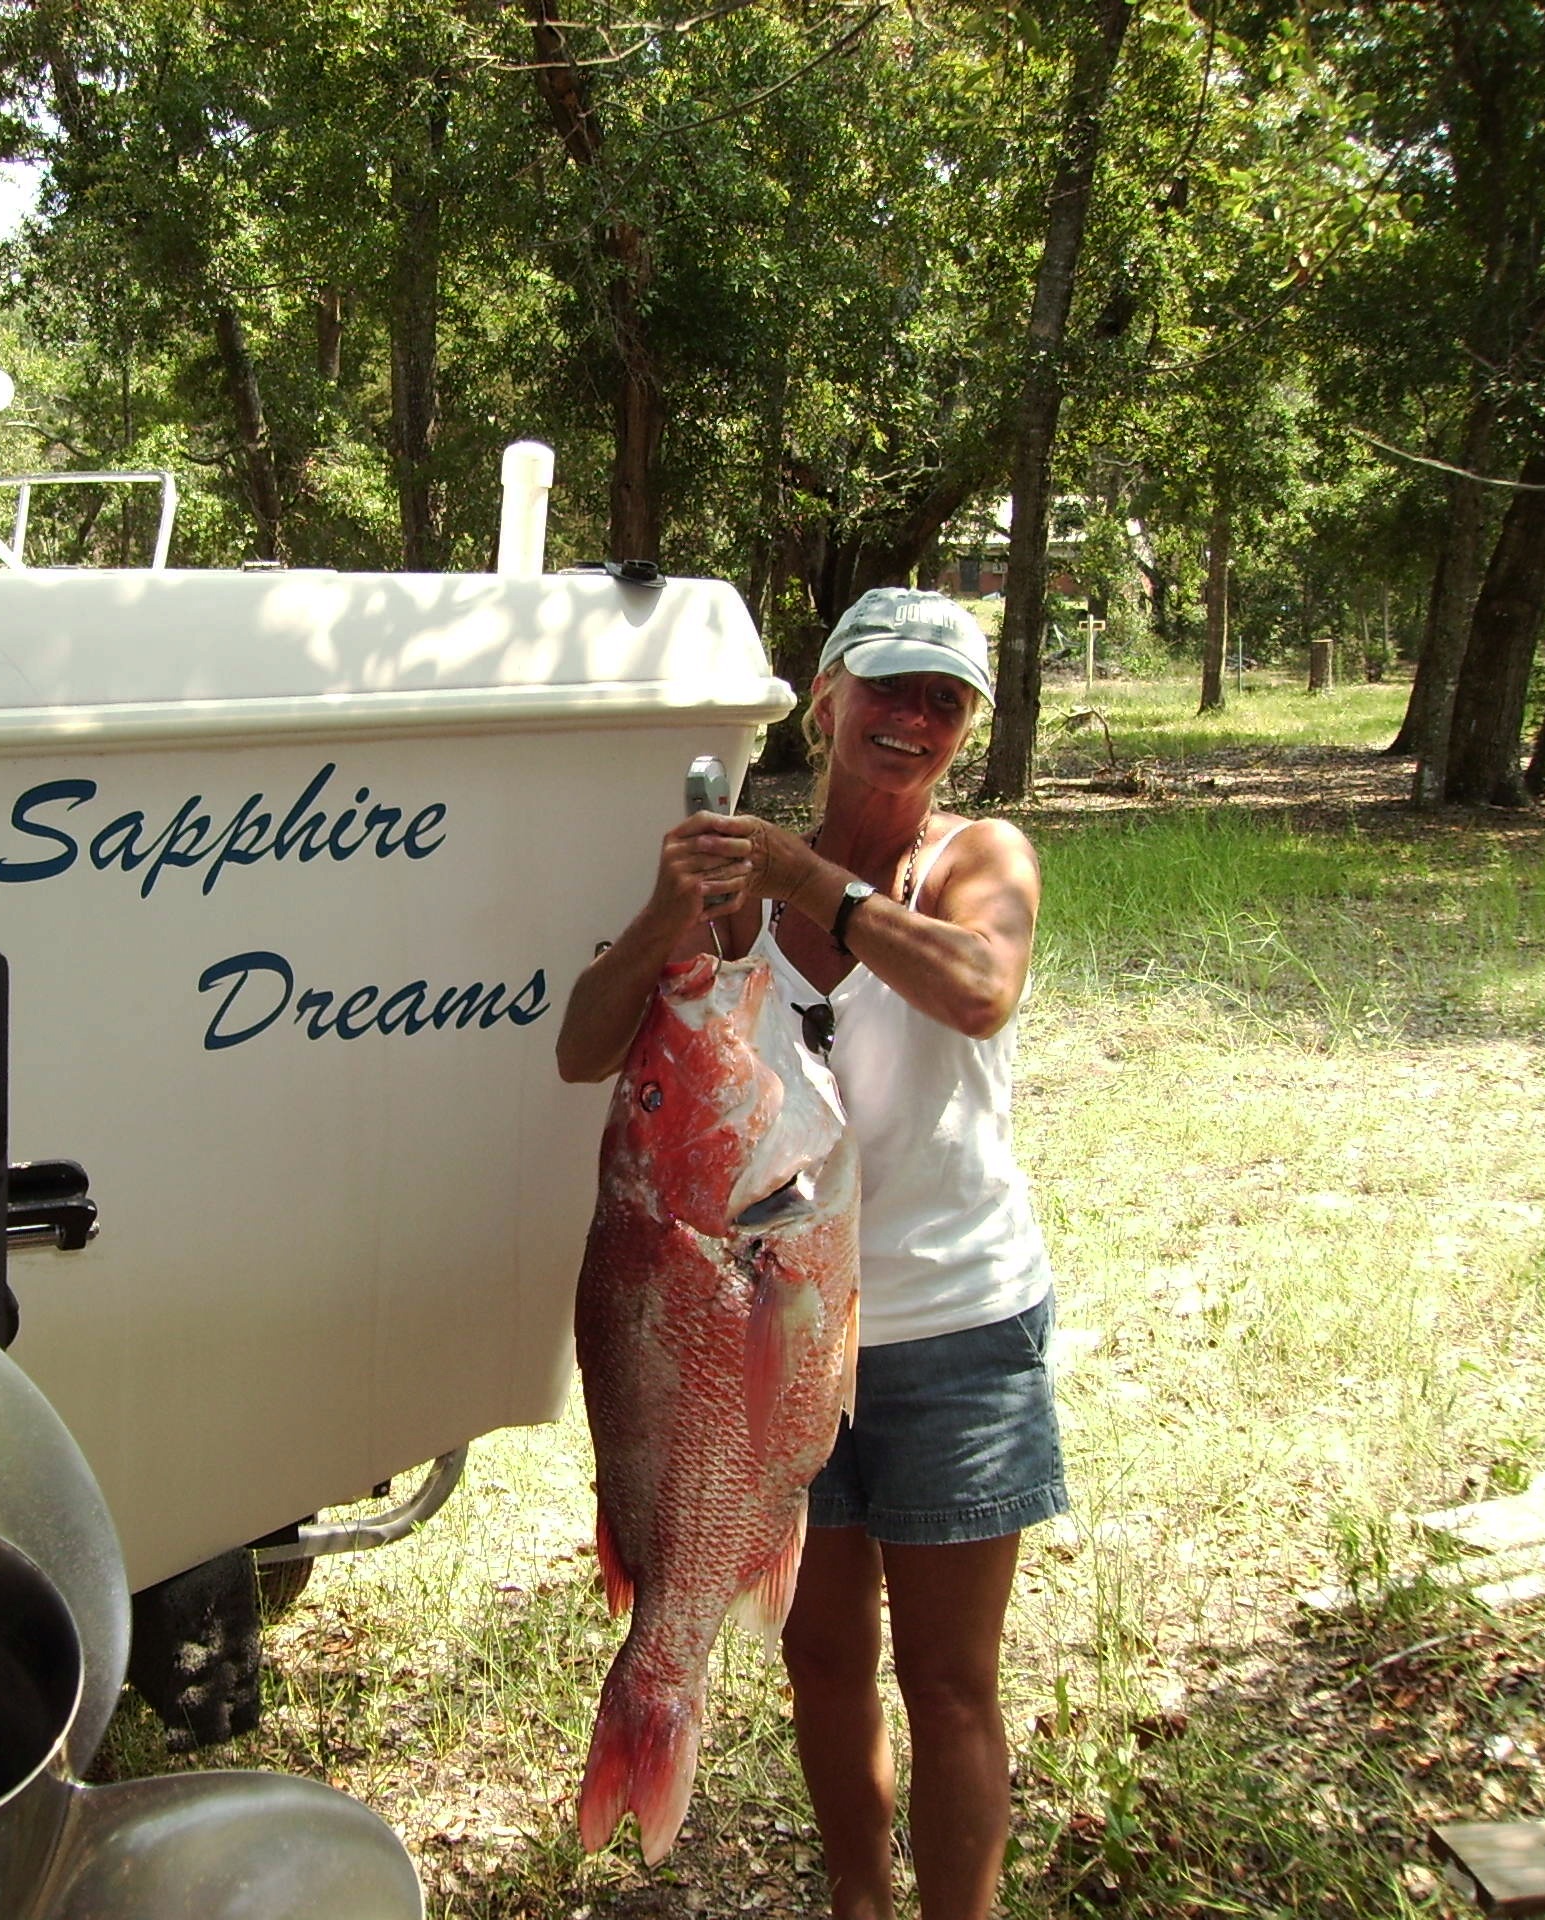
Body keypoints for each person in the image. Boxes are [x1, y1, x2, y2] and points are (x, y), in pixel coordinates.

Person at [555, 587, 1066, 1920]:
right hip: (771, 1343)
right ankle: (859, 1902)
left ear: (967, 730)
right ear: (826, 697)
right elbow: (585, 1047)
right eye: (886, 688)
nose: (910, 720)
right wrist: (677, 904)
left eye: (944, 701)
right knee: (826, 1661)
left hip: (952, 1329)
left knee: (952, 1680)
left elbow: (978, 985)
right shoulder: (735, 880)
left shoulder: (976, 857)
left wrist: (808, 883)